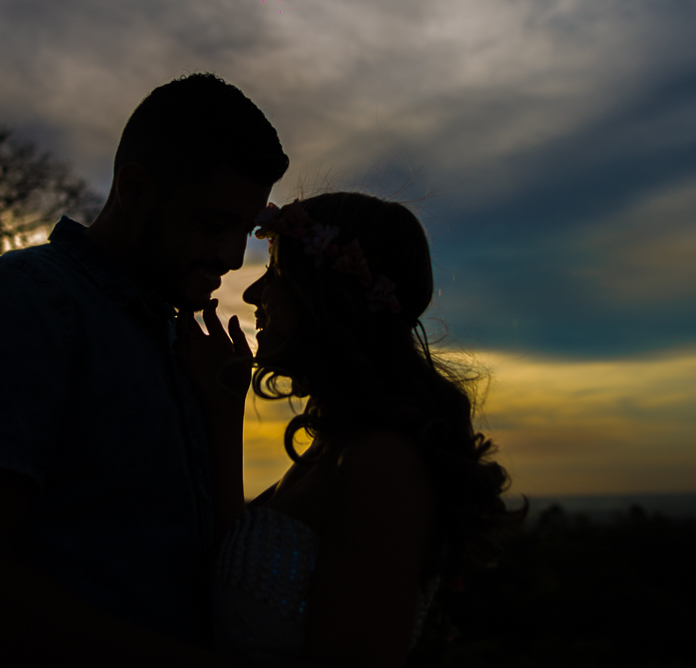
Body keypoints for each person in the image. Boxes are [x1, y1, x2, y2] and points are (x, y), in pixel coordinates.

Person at [0, 73, 288, 665]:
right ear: (134, 189)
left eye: (244, 229)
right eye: (213, 225)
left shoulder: (175, 338)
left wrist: (220, 416)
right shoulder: (30, 306)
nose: (231, 258)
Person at [175, 193, 524, 666]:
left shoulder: (383, 465)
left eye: (275, 273)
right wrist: (222, 414)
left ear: (325, 293)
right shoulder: (335, 448)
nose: (254, 294)